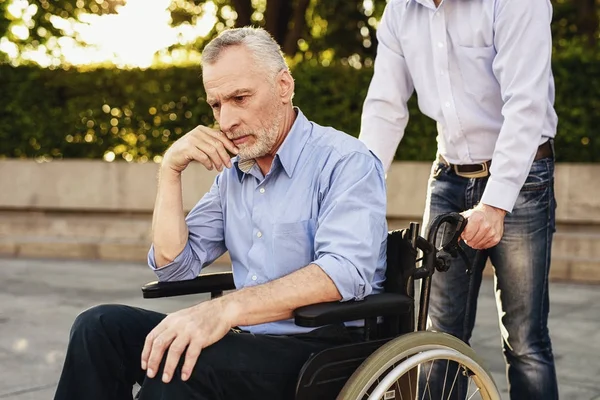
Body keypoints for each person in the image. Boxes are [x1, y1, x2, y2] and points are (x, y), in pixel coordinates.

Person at [53, 27, 388, 400]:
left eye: (240, 98)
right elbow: (173, 266)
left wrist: (225, 311)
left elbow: (343, 272)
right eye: (216, 105)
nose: (226, 120)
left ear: (283, 86)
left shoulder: (345, 161)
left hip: (321, 349)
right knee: (98, 328)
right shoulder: (234, 174)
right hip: (250, 341)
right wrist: (170, 171)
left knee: (183, 364)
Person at [359, 0, 558, 399]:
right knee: (437, 336)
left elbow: (526, 105)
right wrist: (356, 194)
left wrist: (495, 203)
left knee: (524, 340)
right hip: (449, 175)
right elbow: (385, 107)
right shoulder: (401, 9)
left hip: (522, 179)